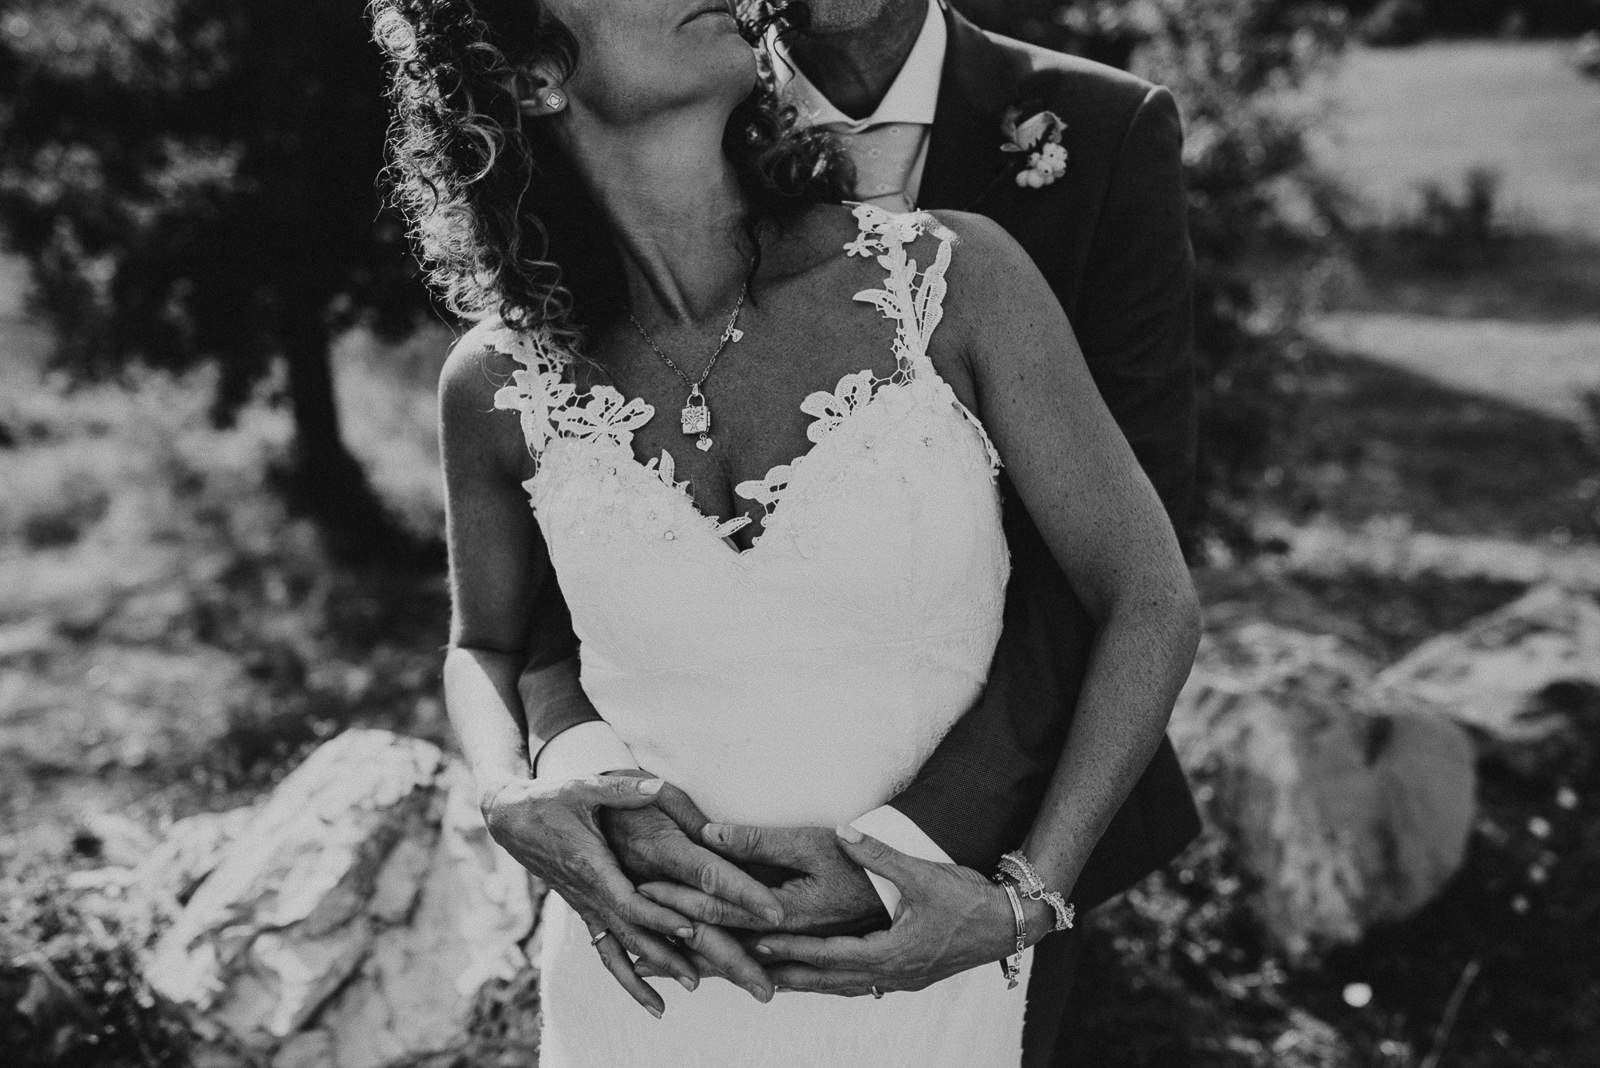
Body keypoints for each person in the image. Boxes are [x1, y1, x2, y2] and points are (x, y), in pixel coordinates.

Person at [374, 0, 1200, 1063]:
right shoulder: (494, 383)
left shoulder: (952, 281)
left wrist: (1018, 902)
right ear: (533, 74)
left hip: (918, 970)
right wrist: (507, 793)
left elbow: (1149, 598)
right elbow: (487, 643)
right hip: (645, 986)